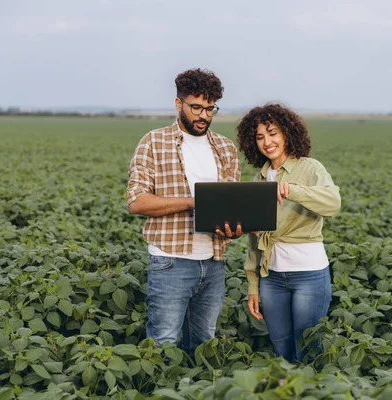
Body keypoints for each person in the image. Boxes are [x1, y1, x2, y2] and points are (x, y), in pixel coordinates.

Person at [126, 68, 242, 355]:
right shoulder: (153, 142)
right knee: (164, 343)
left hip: (214, 262)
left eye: (210, 108)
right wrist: (193, 201)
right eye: (196, 107)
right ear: (179, 104)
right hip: (170, 262)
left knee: (205, 344)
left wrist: (236, 228)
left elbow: (232, 205)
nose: (203, 115)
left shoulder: (225, 148)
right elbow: (137, 202)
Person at [236, 103, 341, 363]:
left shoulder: (310, 167)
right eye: (259, 137)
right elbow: (254, 240)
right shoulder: (260, 180)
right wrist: (253, 284)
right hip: (271, 277)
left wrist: (291, 190)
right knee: (280, 345)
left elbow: (333, 203)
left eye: (272, 133)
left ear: (287, 133)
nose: (267, 142)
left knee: (306, 346)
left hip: (308, 274)